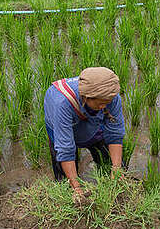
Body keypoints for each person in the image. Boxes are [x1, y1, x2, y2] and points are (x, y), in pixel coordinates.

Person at [43, 66, 125, 205]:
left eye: (107, 103)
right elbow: (65, 148)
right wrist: (77, 189)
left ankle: (110, 184)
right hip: (62, 121)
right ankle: (69, 190)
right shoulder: (61, 103)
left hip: (93, 122)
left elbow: (115, 133)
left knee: (107, 161)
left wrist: (116, 168)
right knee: (65, 179)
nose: (104, 107)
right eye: (101, 104)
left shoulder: (110, 96)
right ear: (86, 98)